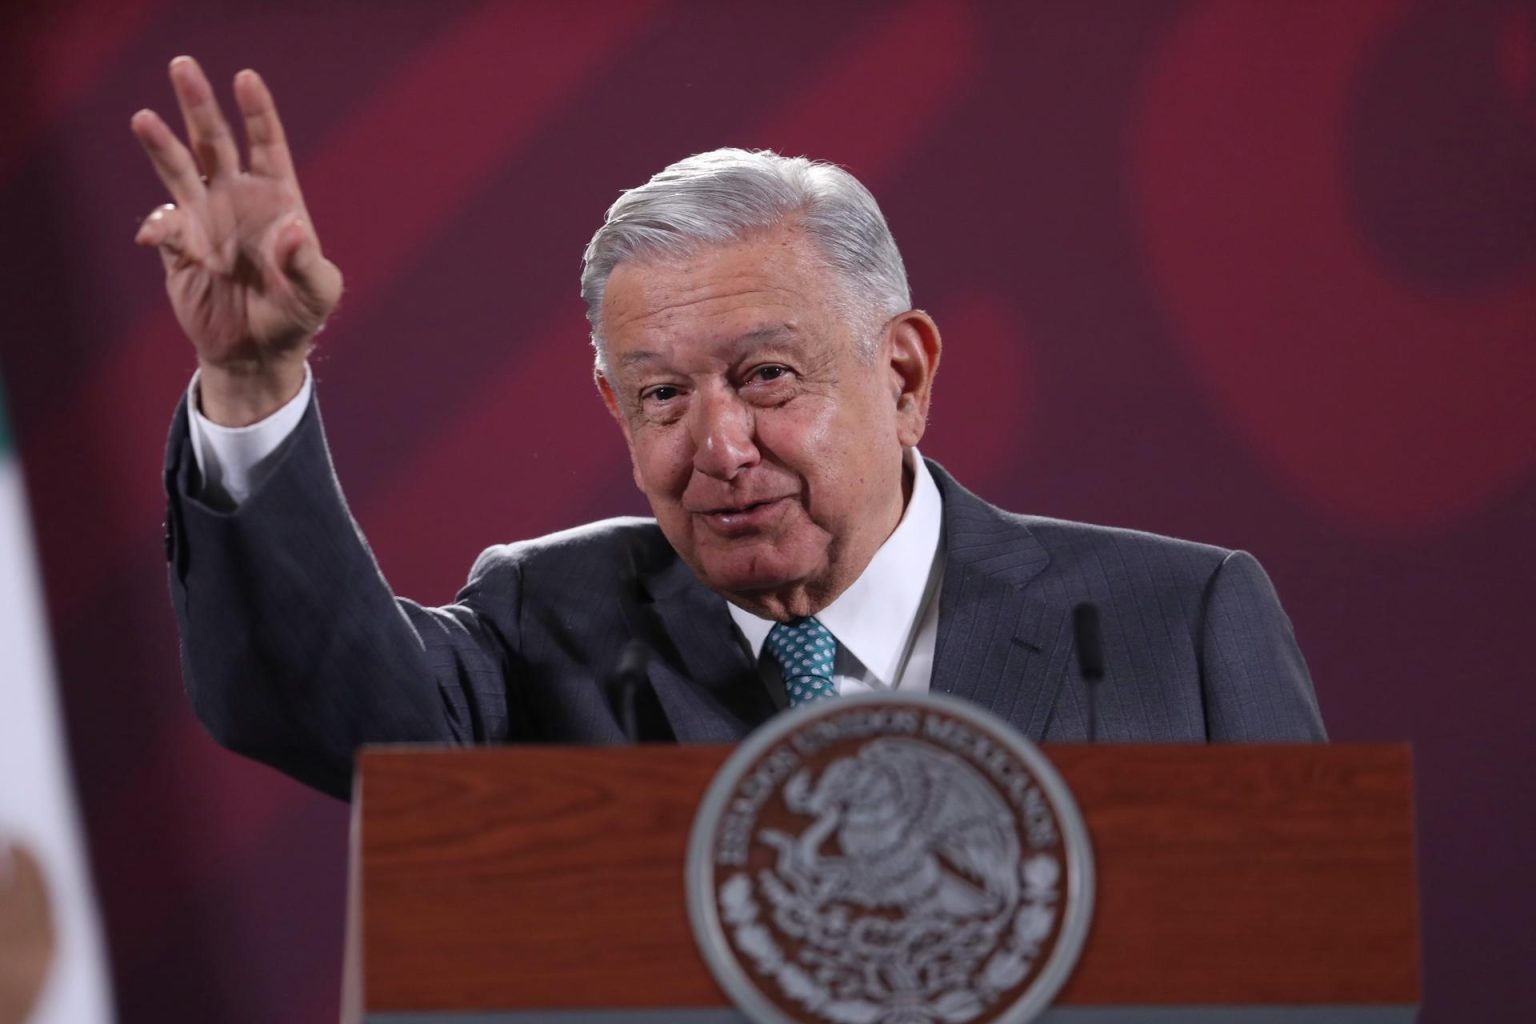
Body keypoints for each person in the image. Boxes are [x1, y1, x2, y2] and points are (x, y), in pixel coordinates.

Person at [132, 57, 1325, 800]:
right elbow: (310, 698)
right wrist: (253, 377)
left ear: (903, 372)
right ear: (614, 407)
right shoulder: (549, 628)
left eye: (765, 375)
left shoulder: (1176, 624)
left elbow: (1323, 967)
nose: (719, 445)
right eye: (660, 395)